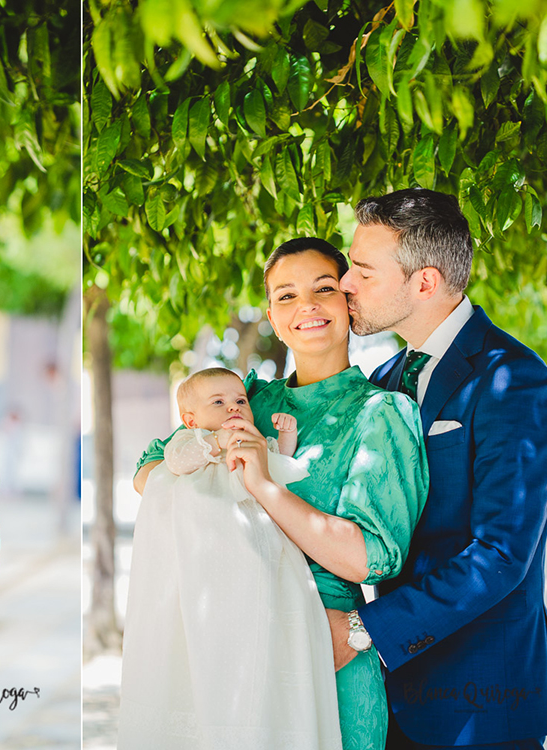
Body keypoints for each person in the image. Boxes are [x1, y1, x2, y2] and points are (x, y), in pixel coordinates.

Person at [134, 238, 430, 750]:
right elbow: (147, 472)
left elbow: (372, 559)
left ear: (349, 302)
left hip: (326, 645)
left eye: (324, 289)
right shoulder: (245, 397)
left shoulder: (381, 413)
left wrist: (265, 488)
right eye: (286, 296)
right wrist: (204, 453)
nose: (307, 306)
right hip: (234, 642)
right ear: (270, 312)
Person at [333, 187, 547, 750]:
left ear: (424, 282)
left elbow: (500, 556)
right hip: (392, 698)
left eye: (363, 272)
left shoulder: (514, 381)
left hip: (482, 704)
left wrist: (366, 632)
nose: (346, 284)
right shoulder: (384, 381)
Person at [119, 366, 343, 749]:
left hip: (257, 543)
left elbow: (280, 464)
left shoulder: (255, 441)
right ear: (191, 419)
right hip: (209, 549)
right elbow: (175, 462)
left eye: (240, 400)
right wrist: (215, 443)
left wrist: (284, 437)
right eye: (218, 402)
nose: (234, 408)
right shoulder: (193, 440)